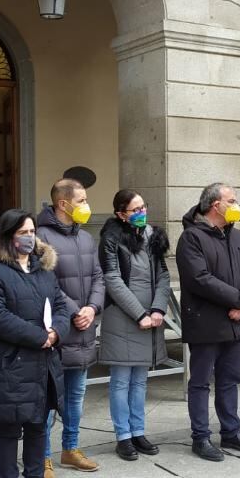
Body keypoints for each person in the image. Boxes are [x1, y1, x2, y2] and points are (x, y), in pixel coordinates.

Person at [0, 210, 72, 478]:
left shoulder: (44, 271)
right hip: (10, 365)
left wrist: (56, 333)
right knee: (7, 431)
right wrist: (38, 337)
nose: (30, 237)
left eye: (32, 231)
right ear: (7, 238)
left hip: (43, 363)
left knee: (37, 428)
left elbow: (60, 305)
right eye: (22, 233)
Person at [176, 183, 240, 461]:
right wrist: (237, 300)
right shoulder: (191, 238)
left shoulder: (236, 236)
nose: (237, 205)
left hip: (235, 322)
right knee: (200, 382)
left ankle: (231, 431)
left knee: (230, 380)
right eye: (233, 200)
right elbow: (199, 279)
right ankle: (200, 437)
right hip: (206, 323)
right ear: (216, 205)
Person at [36, 179, 105, 478]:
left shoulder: (86, 237)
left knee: (76, 396)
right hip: (59, 330)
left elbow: (99, 276)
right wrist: (76, 310)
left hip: (85, 329)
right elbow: (44, 282)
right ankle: (42, 458)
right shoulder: (41, 236)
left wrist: (92, 308)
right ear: (63, 204)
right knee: (49, 399)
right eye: (82, 200)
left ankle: (71, 448)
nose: (86, 206)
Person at [98, 189, 171, 460]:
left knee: (140, 380)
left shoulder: (152, 235)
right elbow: (113, 280)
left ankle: (138, 431)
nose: (142, 213)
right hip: (122, 317)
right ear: (120, 214)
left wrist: (157, 309)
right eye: (135, 210)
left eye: (143, 207)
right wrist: (139, 314)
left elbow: (163, 274)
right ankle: (123, 437)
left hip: (151, 316)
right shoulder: (111, 238)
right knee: (121, 381)